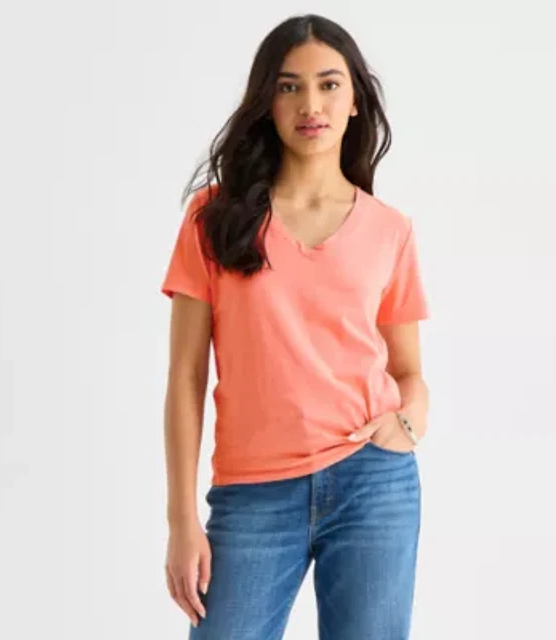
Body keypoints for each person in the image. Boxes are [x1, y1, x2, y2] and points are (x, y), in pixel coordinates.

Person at [160, 13, 430, 640]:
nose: (311, 104)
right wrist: (180, 521)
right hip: (253, 493)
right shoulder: (214, 218)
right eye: (289, 87)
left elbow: (410, 372)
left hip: (373, 483)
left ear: (355, 100)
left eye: (329, 84)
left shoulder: (389, 230)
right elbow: (185, 376)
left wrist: (409, 422)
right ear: (268, 101)